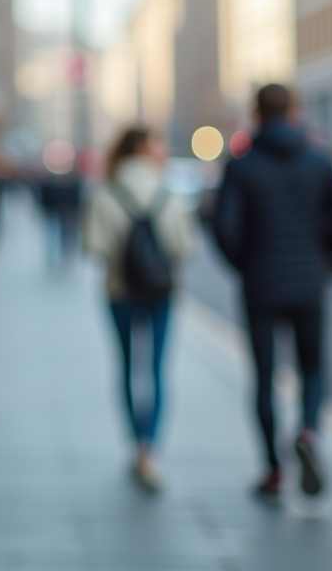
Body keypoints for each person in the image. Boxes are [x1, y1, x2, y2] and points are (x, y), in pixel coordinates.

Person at [214, 83, 332, 498]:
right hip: (308, 282)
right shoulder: (318, 161)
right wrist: (322, 259)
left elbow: (224, 228)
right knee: (313, 368)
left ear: (256, 114)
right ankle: (308, 432)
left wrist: (247, 266)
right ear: (294, 112)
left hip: (260, 285)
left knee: (264, 376)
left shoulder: (241, 165)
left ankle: (273, 470)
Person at [83, 126, 196, 491]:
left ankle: (135, 446)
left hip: (119, 292)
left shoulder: (106, 193)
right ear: (145, 148)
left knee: (128, 368)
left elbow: (93, 248)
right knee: (158, 369)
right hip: (162, 294)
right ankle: (152, 449)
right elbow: (185, 248)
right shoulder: (168, 192)